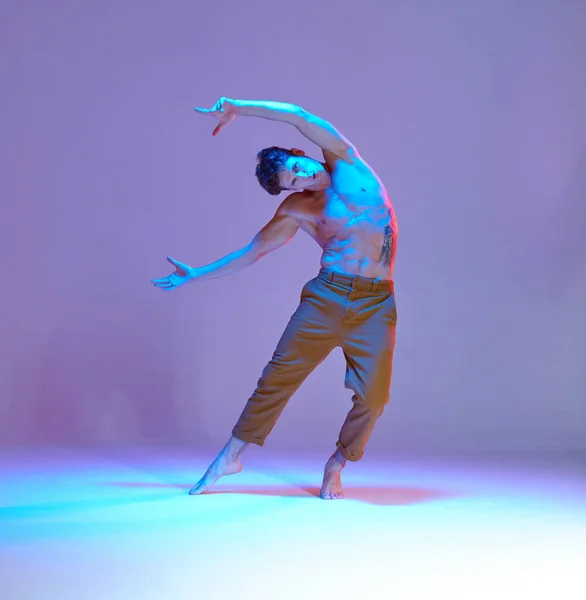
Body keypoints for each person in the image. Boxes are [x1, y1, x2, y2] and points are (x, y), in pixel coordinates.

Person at [152, 97, 398, 499]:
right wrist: (196, 275)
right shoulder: (297, 210)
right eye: (294, 182)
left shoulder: (347, 161)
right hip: (328, 297)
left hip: (376, 303)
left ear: (300, 153)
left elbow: (299, 116)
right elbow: (252, 252)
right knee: (276, 379)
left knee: (374, 397)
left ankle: (338, 461)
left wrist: (238, 107)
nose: (303, 179)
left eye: (298, 168)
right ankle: (230, 456)